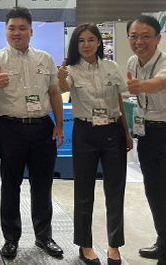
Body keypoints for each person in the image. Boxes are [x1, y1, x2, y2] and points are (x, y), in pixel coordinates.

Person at [0, 6, 64, 260]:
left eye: (22, 28)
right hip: (10, 129)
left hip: (42, 127)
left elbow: (54, 92)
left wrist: (59, 124)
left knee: (42, 185)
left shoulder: (45, 58)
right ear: (5, 31)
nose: (16, 32)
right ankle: (11, 238)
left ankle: (44, 236)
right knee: (10, 185)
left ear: (31, 31)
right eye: (12, 28)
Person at [58, 23, 133, 265]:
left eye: (91, 39)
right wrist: (60, 78)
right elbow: (64, 87)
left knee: (115, 191)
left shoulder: (111, 67)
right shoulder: (71, 70)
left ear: (99, 42)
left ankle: (114, 245)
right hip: (85, 133)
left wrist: (126, 132)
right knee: (83, 191)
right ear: (75, 45)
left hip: (112, 131)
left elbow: (118, 100)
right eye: (81, 41)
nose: (87, 44)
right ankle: (85, 245)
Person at [126, 15, 166, 265]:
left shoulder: (164, 62)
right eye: (134, 36)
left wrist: (141, 86)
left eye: (145, 36)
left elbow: (161, 82)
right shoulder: (132, 61)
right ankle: (163, 241)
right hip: (146, 133)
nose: (139, 42)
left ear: (158, 38)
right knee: (153, 190)